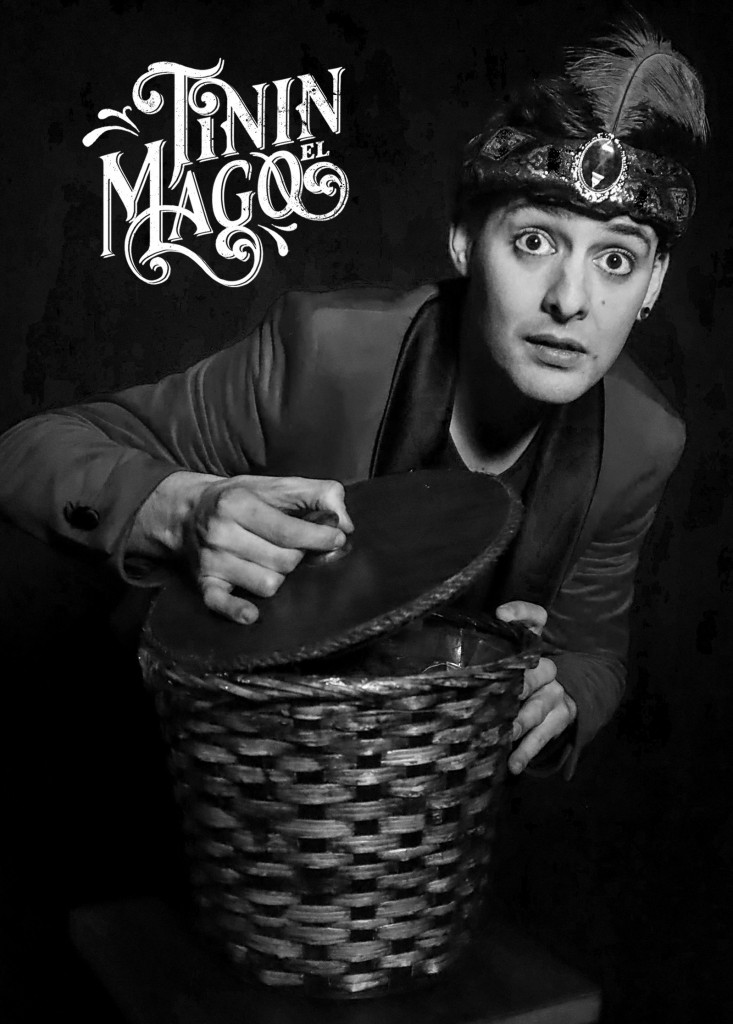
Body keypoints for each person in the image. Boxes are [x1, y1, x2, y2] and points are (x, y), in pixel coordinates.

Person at [0, 18, 707, 784]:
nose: (570, 300)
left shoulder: (641, 442)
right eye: (533, 241)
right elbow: (26, 453)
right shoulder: (325, 351)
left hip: (412, 808)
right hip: (199, 768)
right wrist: (181, 509)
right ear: (464, 242)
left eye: (615, 259)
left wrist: (559, 693)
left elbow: (590, 650)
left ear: (653, 284)